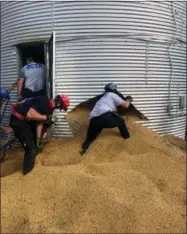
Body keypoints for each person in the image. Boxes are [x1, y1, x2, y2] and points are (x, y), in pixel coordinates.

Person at [9, 94, 70, 175]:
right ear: (59, 103)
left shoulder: (50, 109)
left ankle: (34, 164)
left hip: (25, 122)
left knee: (36, 146)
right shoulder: (44, 102)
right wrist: (45, 118)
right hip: (18, 120)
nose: (60, 109)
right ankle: (27, 174)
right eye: (62, 108)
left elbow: (39, 123)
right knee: (31, 150)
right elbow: (30, 114)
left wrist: (38, 140)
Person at [80, 82, 133, 155]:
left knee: (89, 138)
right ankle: (127, 139)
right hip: (105, 117)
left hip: (93, 120)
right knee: (121, 121)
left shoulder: (103, 98)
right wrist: (128, 99)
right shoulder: (112, 94)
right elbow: (126, 105)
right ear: (114, 89)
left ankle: (82, 151)